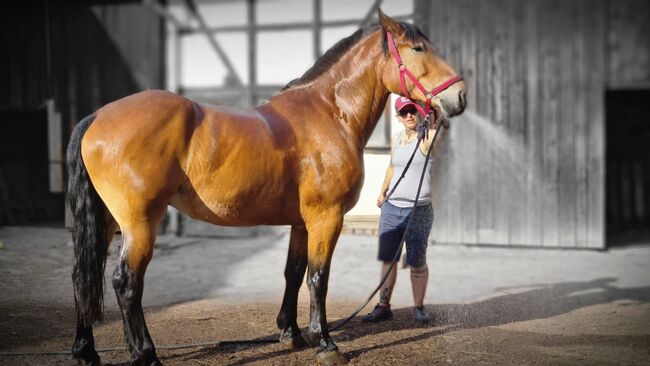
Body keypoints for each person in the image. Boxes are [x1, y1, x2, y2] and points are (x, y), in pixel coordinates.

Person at [362, 96, 447, 326]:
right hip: (392, 208)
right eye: (404, 112)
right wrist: (382, 192)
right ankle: (383, 306)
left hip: (418, 211)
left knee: (417, 262)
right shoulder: (397, 139)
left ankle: (418, 308)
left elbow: (440, 129)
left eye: (412, 111)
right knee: (388, 260)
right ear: (398, 117)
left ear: (418, 113)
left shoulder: (426, 138)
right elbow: (392, 166)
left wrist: (435, 112)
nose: (409, 115)